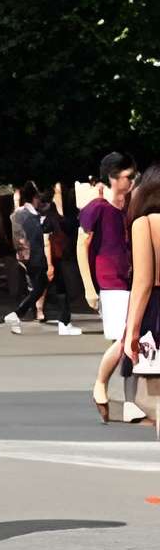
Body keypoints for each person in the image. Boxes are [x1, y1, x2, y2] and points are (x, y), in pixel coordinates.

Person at [79, 153, 142, 423]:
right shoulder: (96, 208)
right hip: (109, 281)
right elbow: (81, 246)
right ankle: (101, 384)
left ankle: (130, 402)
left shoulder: (130, 207)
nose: (132, 181)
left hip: (131, 279)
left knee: (131, 342)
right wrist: (88, 288)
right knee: (124, 340)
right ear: (113, 178)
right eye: (128, 176)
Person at [120, 163, 160, 428]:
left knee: (157, 395)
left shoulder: (144, 223)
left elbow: (143, 283)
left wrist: (131, 331)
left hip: (155, 312)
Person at [2, 183, 48, 333]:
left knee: (37, 286)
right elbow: (33, 237)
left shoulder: (19, 213)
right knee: (39, 286)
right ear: (35, 198)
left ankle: (18, 316)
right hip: (34, 256)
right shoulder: (30, 215)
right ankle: (17, 314)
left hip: (25, 255)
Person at [36, 188, 79, 334]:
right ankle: (63, 321)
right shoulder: (57, 217)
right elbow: (47, 242)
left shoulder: (51, 217)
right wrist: (49, 264)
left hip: (58, 257)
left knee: (62, 289)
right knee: (63, 290)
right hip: (59, 258)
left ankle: (63, 320)